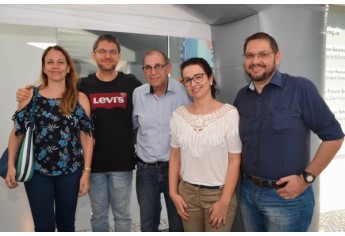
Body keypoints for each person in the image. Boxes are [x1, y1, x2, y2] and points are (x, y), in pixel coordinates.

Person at [16, 34, 142, 232]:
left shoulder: (131, 83)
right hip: (92, 165)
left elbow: (152, 95)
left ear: (119, 56)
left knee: (123, 216)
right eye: (102, 51)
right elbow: (55, 89)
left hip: (122, 164)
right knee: (98, 216)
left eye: (112, 52)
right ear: (94, 55)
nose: (107, 56)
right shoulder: (82, 86)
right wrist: (28, 91)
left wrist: (176, 85)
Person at [233, 32, 344, 232]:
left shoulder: (300, 88)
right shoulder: (242, 97)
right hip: (248, 193)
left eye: (263, 54)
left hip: (286, 199)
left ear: (277, 56)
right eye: (249, 55)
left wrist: (306, 178)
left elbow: (334, 137)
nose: (255, 61)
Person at [5, 45, 94, 232]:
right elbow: (17, 133)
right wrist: (11, 166)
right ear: (44, 68)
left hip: (70, 173)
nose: (56, 66)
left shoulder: (79, 98)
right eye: (50, 62)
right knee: (43, 228)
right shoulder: (30, 96)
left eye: (61, 62)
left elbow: (86, 138)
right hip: (37, 175)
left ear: (68, 68)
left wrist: (86, 172)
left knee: (67, 225)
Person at [169, 57, 242, 232]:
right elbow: (174, 157)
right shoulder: (178, 115)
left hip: (218, 195)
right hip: (187, 195)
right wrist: (173, 193)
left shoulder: (229, 114)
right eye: (187, 80)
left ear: (210, 78)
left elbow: (235, 161)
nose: (193, 83)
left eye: (198, 77)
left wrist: (224, 201)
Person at [132, 49, 190, 232]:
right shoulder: (138, 94)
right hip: (146, 170)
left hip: (177, 170)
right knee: (148, 225)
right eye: (148, 67)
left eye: (158, 66)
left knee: (178, 224)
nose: (153, 72)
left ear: (168, 67)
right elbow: (134, 125)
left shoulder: (184, 92)